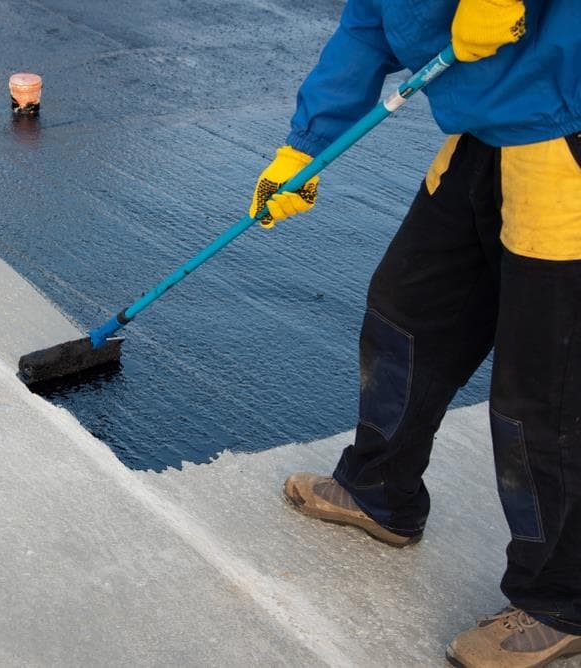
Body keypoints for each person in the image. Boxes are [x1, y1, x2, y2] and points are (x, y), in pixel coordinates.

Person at [251, 0, 581, 665]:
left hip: (564, 128)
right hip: (486, 130)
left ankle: (561, 600)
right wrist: (304, 146)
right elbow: (371, 22)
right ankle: (381, 490)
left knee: (544, 389)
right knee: (407, 316)